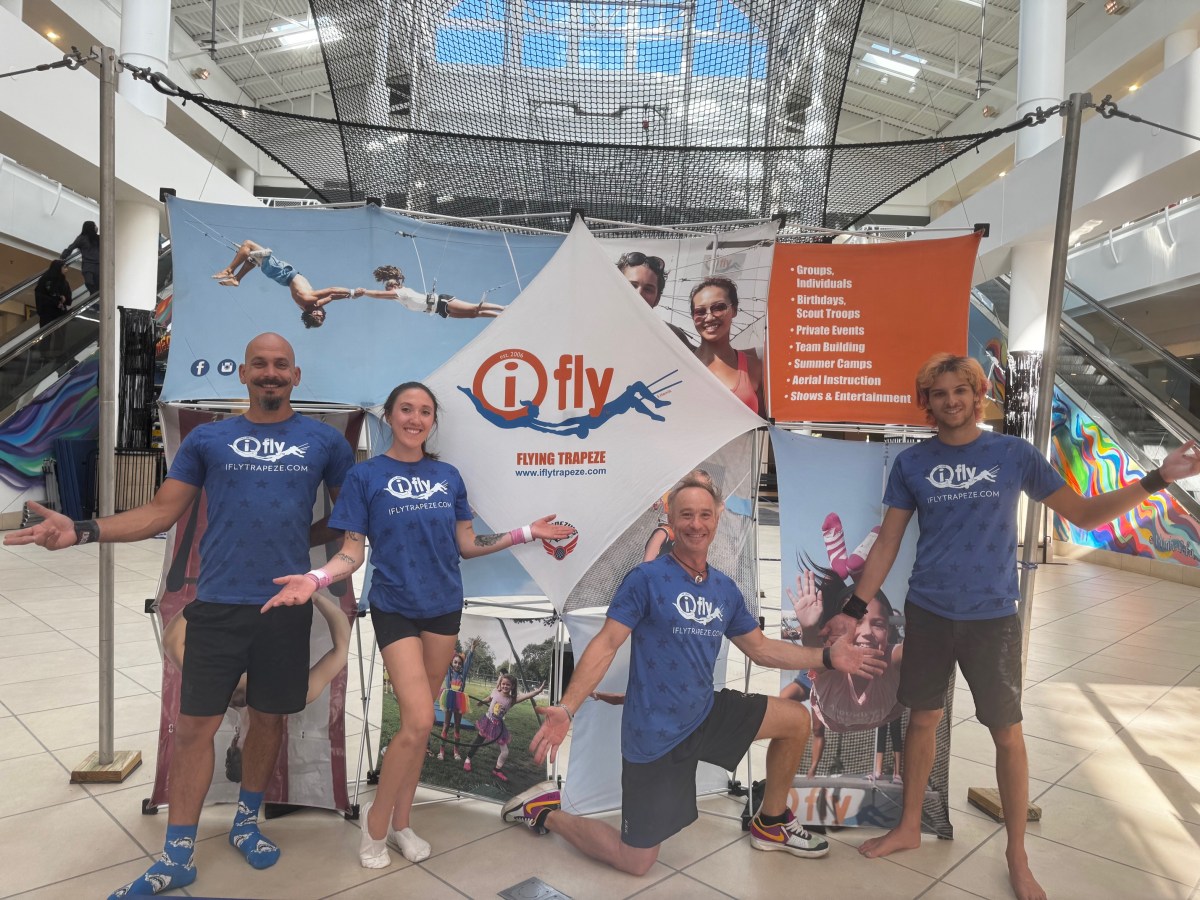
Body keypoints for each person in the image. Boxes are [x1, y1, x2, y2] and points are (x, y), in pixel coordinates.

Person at [4, 332, 355, 900]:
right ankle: (177, 855)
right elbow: (160, 513)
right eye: (259, 364)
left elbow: (350, 519)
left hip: (283, 608)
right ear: (243, 374)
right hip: (214, 605)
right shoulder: (210, 439)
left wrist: (297, 544)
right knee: (194, 730)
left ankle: (246, 823)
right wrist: (82, 530)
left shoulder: (323, 443)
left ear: (296, 375)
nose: (270, 373)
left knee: (269, 721)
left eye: (280, 365)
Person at [843, 353, 1200, 900]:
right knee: (922, 719)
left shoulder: (1013, 454)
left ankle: (1016, 852)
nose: (950, 401)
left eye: (959, 390)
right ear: (928, 402)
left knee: (1006, 733)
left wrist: (1157, 478)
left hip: (992, 618)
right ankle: (910, 825)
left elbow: (1082, 515)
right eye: (938, 394)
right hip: (929, 610)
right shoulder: (912, 463)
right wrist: (853, 607)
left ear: (977, 393)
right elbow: (888, 542)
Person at [499, 473, 886, 876]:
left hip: (705, 711)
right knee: (637, 861)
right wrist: (568, 707)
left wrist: (826, 657)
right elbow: (607, 643)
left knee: (796, 720)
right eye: (686, 514)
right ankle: (544, 811)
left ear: (716, 519)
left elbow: (761, 649)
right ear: (671, 517)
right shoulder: (645, 580)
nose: (696, 524)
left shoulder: (724, 589)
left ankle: (771, 823)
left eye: (704, 514)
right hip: (656, 734)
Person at [263, 381, 574, 869]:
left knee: (418, 725)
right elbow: (351, 551)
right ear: (388, 416)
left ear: (433, 421)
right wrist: (315, 576)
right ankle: (376, 824)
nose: (415, 418)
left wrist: (525, 532)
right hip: (395, 607)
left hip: (444, 607)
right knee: (421, 719)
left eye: (425, 411)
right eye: (406, 409)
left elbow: (467, 544)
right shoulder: (366, 477)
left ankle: (403, 822)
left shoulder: (448, 476)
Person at [212, 240, 354, 328]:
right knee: (252, 259)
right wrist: (349, 296)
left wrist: (352, 291)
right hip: (280, 275)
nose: (324, 315)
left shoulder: (307, 300)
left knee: (248, 244)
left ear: (314, 313)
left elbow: (332, 290)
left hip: (279, 271)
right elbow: (333, 296)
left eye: (321, 317)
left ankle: (229, 270)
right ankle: (237, 279)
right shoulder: (312, 304)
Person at [689, 276, 764, 414]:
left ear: (734, 310)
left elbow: (765, 429)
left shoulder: (755, 368)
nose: (710, 317)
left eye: (718, 307)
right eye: (700, 311)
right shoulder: (681, 365)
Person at [462, 674, 546, 781]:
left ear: (512, 686)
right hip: (487, 722)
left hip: (498, 726)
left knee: (505, 751)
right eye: (503, 684)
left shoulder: (512, 700)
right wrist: (482, 702)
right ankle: (468, 760)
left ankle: (496, 770)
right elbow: (489, 698)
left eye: (508, 684)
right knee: (478, 741)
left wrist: (538, 691)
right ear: (500, 684)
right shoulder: (495, 691)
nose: (505, 686)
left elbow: (527, 695)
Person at [355, 265, 503, 318]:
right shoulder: (398, 298)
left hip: (442, 301)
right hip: (439, 310)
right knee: (472, 314)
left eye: (388, 287)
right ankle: (498, 317)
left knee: (473, 307)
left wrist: (365, 291)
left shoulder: (401, 293)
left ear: (394, 287)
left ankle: (503, 308)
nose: (386, 290)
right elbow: (383, 296)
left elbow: (379, 295)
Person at [616, 251, 694, 349]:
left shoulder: (673, 337)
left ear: (657, 299)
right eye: (632, 285)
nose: (638, 294)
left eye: (648, 289)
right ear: (616, 288)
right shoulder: (596, 327)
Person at [436, 640, 477, 761]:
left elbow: (468, 662)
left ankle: (456, 751)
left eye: (459, 663)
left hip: (459, 701)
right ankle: (441, 751)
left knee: (457, 726)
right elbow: (446, 656)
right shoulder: (449, 671)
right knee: (446, 725)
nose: (457, 665)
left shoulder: (462, 674)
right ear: (451, 662)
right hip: (449, 699)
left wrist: (472, 650)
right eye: (455, 662)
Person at [61, 220, 100, 295]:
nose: (96, 227)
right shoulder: (81, 238)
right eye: (94, 225)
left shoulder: (99, 238)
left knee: (98, 286)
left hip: (99, 266)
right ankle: (95, 300)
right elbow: (71, 247)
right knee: (89, 283)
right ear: (90, 227)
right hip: (88, 265)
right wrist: (63, 256)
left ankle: (96, 301)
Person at [34, 258, 73, 327]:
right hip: (47, 313)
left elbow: (69, 299)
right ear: (58, 268)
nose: (66, 270)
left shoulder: (64, 282)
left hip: (60, 313)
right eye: (64, 267)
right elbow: (41, 296)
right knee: (46, 335)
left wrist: (65, 299)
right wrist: (58, 299)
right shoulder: (45, 280)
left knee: (59, 335)